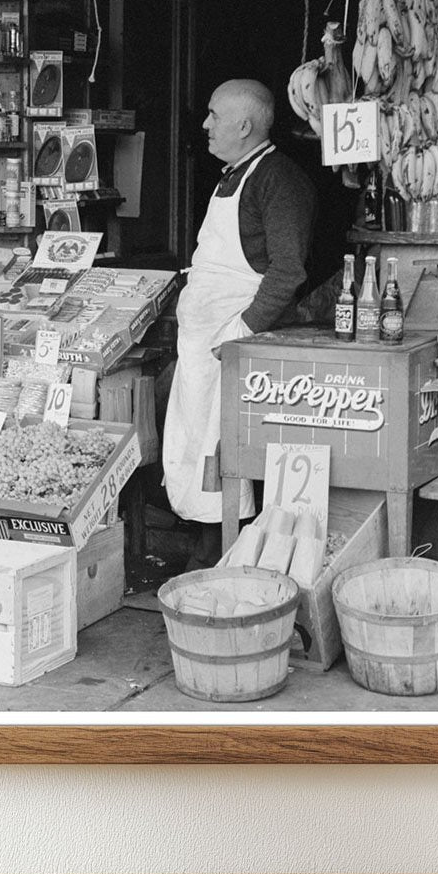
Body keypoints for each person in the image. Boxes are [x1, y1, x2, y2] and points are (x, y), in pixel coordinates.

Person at [163, 78, 317, 570]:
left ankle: (221, 553)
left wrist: (241, 331)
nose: (205, 125)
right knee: (196, 441)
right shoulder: (234, 174)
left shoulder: (277, 180)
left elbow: (288, 270)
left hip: (233, 344)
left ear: (245, 124)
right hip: (203, 347)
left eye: (213, 114)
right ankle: (206, 541)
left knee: (224, 450)